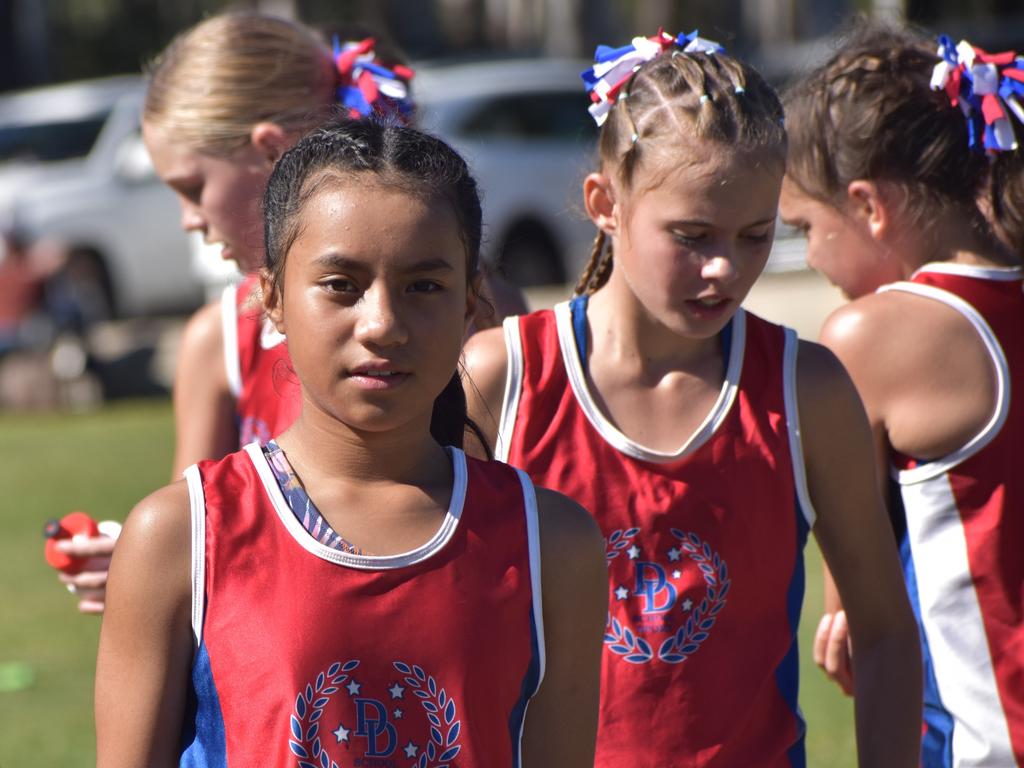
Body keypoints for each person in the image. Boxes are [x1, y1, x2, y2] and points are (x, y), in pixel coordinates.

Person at [463, 29, 922, 767]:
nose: (724, 269)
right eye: (692, 234)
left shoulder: (805, 390)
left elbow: (887, 633)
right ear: (604, 203)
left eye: (755, 236)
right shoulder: (504, 377)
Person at [95, 120, 607, 768]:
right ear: (273, 299)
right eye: (342, 284)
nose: (383, 324)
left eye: (424, 285)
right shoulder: (179, 536)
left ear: (470, 303)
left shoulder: (551, 544)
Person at [55, 13, 526, 612]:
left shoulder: (478, 318)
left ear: (271, 153)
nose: (188, 218)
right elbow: (198, 544)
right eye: (340, 287)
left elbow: (511, 547)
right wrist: (137, 567)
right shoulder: (219, 338)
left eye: (194, 186)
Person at [778, 22, 1024, 765]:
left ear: (869, 205)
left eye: (804, 228)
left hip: (989, 740)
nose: (810, 256)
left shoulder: (877, 334)